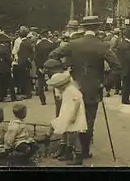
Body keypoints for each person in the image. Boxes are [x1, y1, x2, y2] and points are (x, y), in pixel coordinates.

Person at [49, 16, 121, 159]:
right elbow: (117, 67)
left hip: (73, 86)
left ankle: (71, 151)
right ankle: (84, 151)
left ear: (84, 28)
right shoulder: (103, 46)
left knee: (71, 117)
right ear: (97, 28)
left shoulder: (73, 44)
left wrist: (64, 73)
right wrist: (104, 83)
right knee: (88, 120)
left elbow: (53, 56)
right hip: (93, 88)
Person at [42, 72, 88, 165]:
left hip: (74, 116)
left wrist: (74, 115)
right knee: (67, 133)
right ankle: (68, 153)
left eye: (58, 87)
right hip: (68, 114)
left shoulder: (72, 90)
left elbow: (78, 101)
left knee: (74, 136)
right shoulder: (66, 90)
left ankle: (78, 157)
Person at [0, 31, 18, 102]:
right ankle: (13, 97)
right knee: (10, 83)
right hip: (6, 69)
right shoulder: (5, 50)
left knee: (0, 84)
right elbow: (9, 59)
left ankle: (1, 97)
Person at [34, 29, 57, 106]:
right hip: (51, 66)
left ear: (41, 35)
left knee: (40, 83)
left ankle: (43, 101)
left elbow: (36, 58)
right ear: (47, 35)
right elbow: (54, 56)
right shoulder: (52, 44)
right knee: (54, 83)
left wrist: (39, 67)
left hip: (41, 66)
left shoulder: (38, 45)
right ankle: (56, 98)